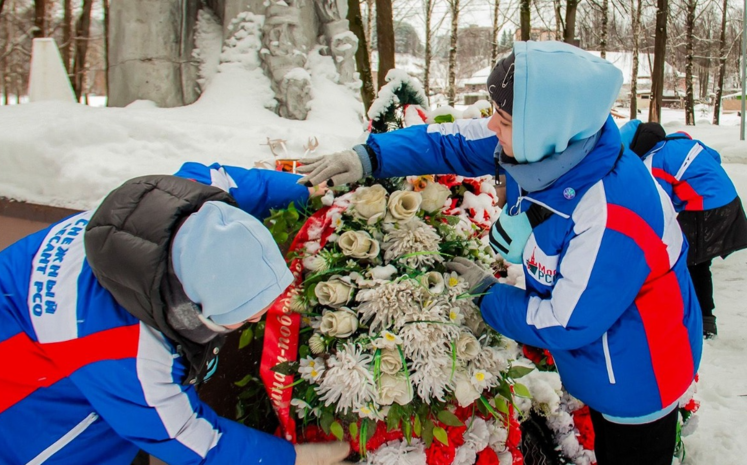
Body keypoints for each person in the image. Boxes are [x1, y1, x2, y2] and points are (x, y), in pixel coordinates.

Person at [292, 41, 702, 465]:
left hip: (638, 372)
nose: (490, 126)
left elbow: (565, 320)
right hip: (603, 356)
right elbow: (447, 143)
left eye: (502, 118)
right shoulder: (546, 145)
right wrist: (369, 157)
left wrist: (486, 294)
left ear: (545, 128)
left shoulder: (612, 212)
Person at [0, 165, 348, 465]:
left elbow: (226, 180)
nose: (257, 322)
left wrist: (300, 188)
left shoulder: (171, 209)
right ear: (190, 309)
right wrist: (293, 459)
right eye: (243, 317)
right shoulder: (127, 351)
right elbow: (191, 439)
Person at [619, 120, 747, 337]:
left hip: (705, 207)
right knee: (693, 262)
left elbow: (658, 205)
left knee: (687, 263)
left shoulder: (653, 160)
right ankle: (700, 319)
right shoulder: (678, 140)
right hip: (728, 201)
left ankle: (700, 323)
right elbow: (714, 156)